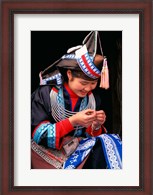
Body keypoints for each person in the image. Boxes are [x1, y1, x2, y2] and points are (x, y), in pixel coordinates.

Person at [31, 31, 122, 169]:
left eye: (93, 83)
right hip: (45, 154)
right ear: (69, 75)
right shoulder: (45, 94)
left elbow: (90, 136)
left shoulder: (93, 99)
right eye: (83, 83)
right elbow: (38, 135)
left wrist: (96, 126)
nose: (88, 88)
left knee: (109, 141)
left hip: (79, 151)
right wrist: (72, 121)